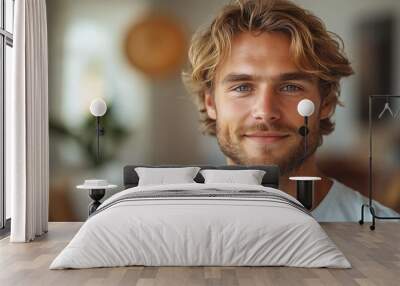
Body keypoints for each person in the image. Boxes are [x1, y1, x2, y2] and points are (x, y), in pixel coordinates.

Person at [182, 0, 399, 221]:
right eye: (242, 87)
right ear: (210, 103)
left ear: (326, 103)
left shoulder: (386, 238)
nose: (265, 111)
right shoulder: (170, 233)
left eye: (290, 87)